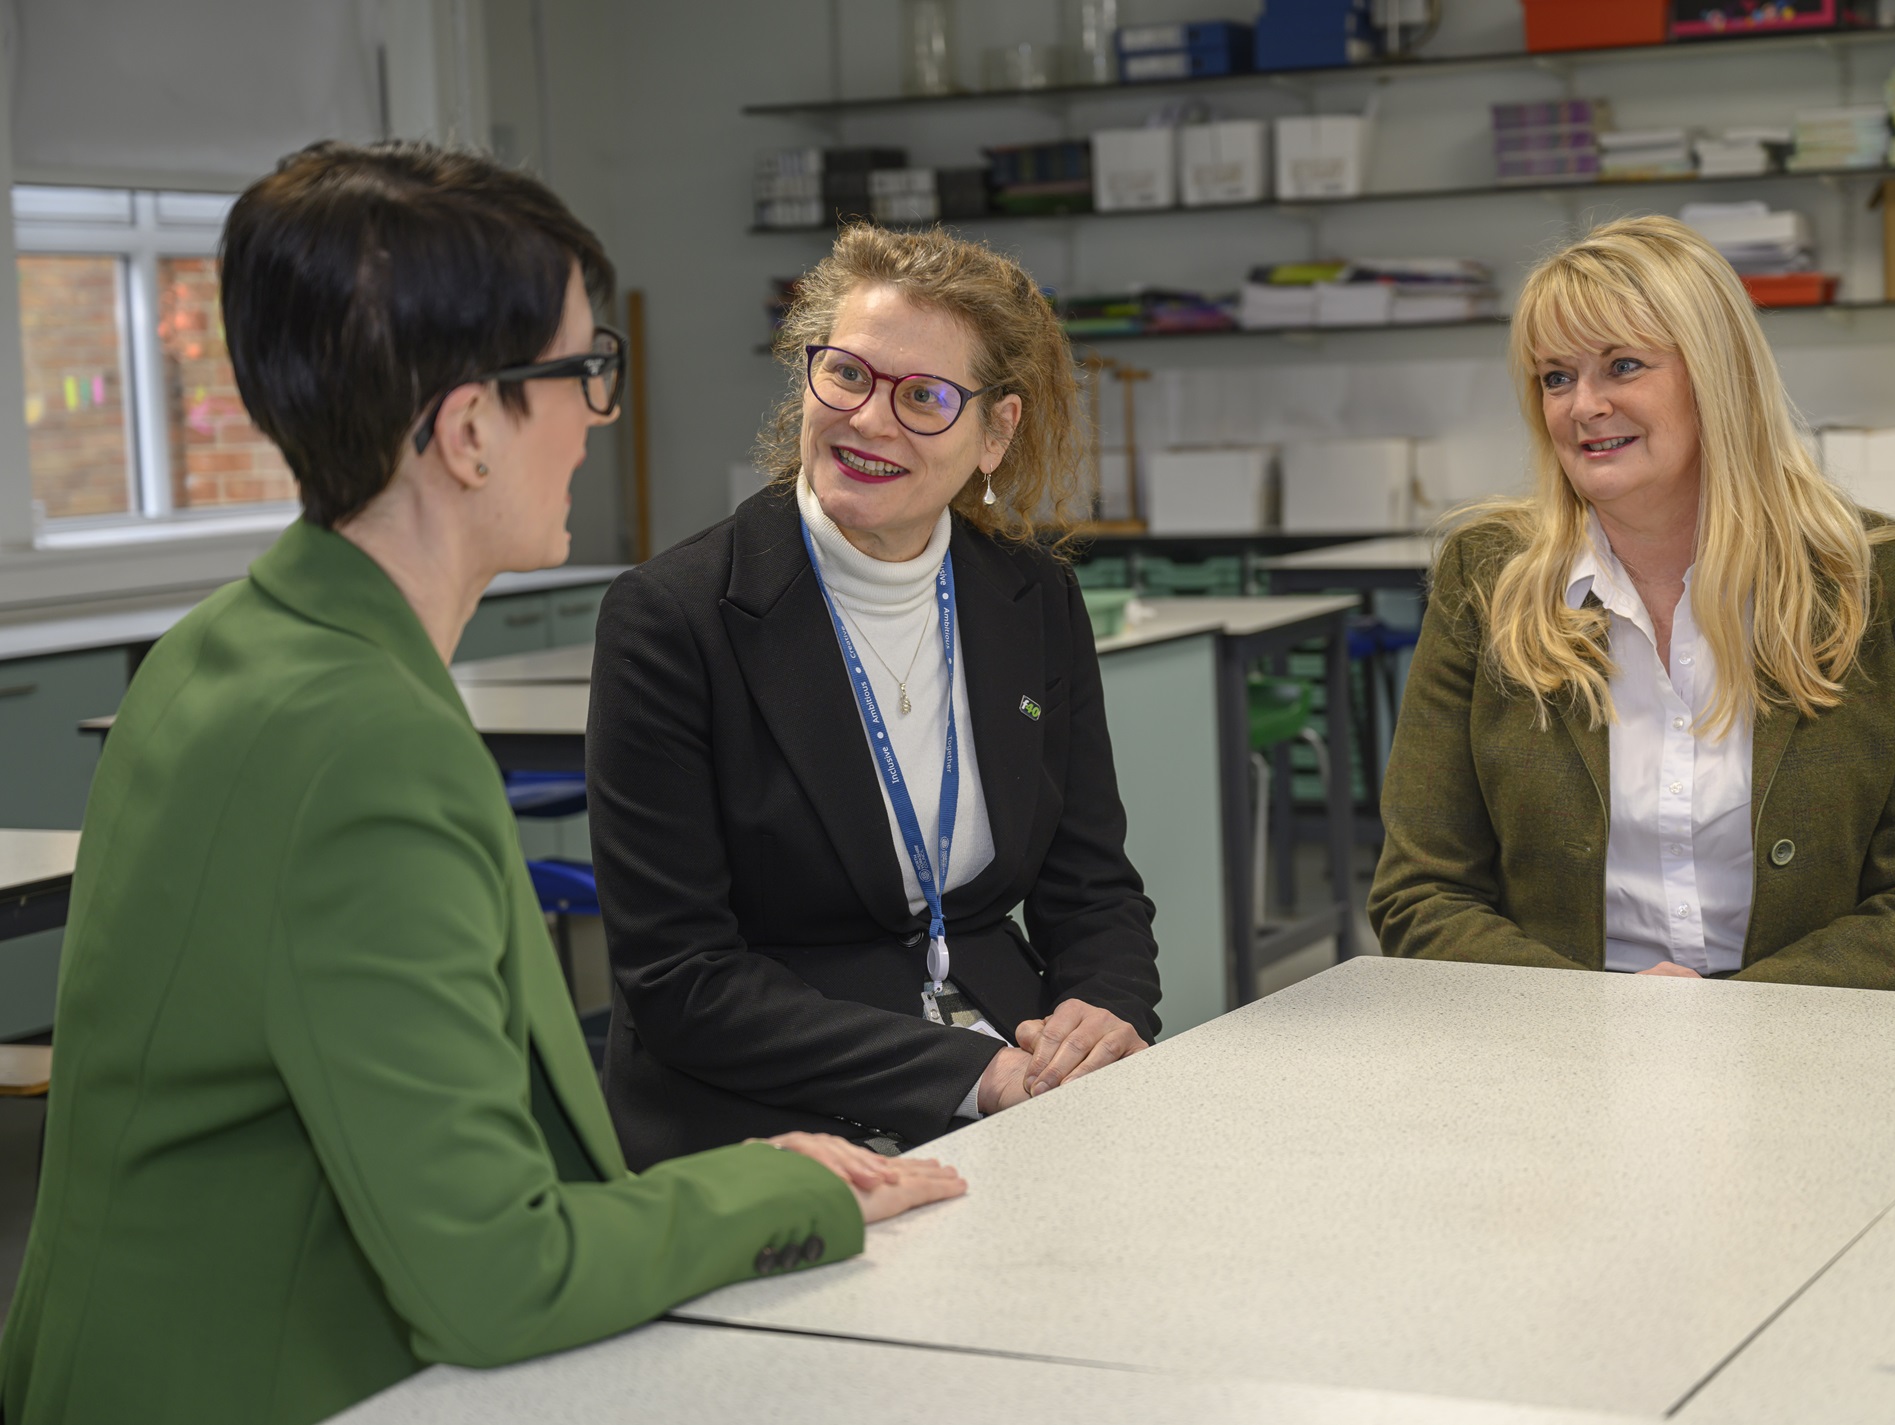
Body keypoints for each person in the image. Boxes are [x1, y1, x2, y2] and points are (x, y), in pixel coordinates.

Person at [0, 143, 962, 1425]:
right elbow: (495, 1276)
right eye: (581, 373)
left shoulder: (222, 649)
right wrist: (785, 1188)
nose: (595, 415)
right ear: (467, 429)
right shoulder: (360, 743)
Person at [588, 224, 1162, 1164]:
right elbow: (679, 978)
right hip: (767, 1107)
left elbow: (1091, 882)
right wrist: (971, 1077)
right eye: (847, 375)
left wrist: (1102, 1011)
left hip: (1017, 1067)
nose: (869, 421)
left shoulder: (1034, 600)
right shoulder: (673, 619)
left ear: (996, 432)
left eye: (926, 397)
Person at [1370, 215, 1895, 988]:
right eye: (1555, 377)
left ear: (1716, 377)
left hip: (1813, 1043)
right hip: (1552, 1044)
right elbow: (1420, 893)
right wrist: (1601, 1012)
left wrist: (1735, 1018)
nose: (1582, 405)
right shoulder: (1488, 577)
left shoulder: (1867, 574)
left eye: (1622, 366)